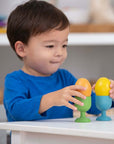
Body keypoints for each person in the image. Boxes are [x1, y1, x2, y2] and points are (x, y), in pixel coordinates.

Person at [4, 0, 114, 122]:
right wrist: (51, 99)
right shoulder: (15, 80)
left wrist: (107, 97)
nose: (60, 53)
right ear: (21, 49)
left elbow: (92, 106)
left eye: (64, 45)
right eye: (50, 46)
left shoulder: (65, 78)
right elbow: (16, 111)